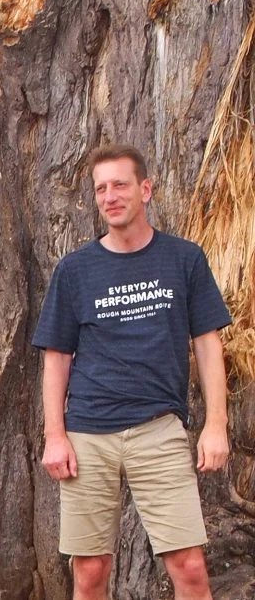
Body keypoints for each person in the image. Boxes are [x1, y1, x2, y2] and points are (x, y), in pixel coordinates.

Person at [32, 144, 231, 600]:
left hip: (158, 430)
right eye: (101, 188)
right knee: (90, 571)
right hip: (88, 434)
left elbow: (207, 343)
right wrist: (55, 435)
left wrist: (215, 424)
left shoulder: (184, 259)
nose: (109, 196)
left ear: (146, 189)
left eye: (119, 185)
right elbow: (56, 357)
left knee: (190, 566)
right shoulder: (76, 270)